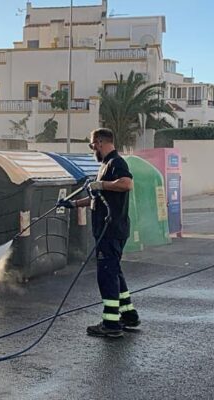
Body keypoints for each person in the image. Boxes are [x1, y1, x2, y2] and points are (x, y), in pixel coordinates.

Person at [57, 128, 140, 338]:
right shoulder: (104, 165)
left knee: (107, 275)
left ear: (100, 142)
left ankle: (111, 324)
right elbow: (99, 198)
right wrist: (73, 204)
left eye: (92, 144)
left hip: (111, 229)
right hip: (109, 229)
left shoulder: (116, 162)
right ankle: (129, 315)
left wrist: (101, 183)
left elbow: (127, 183)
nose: (92, 148)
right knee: (114, 271)